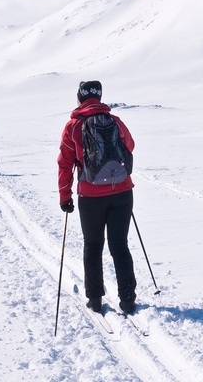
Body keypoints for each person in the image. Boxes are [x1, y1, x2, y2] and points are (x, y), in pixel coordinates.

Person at [57, 80, 137, 314]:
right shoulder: (115, 121)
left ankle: (94, 298)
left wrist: (65, 196)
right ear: (100, 98)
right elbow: (130, 146)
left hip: (91, 196)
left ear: (80, 98)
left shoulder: (72, 126)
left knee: (93, 246)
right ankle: (128, 299)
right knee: (120, 245)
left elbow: (65, 164)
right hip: (122, 191)